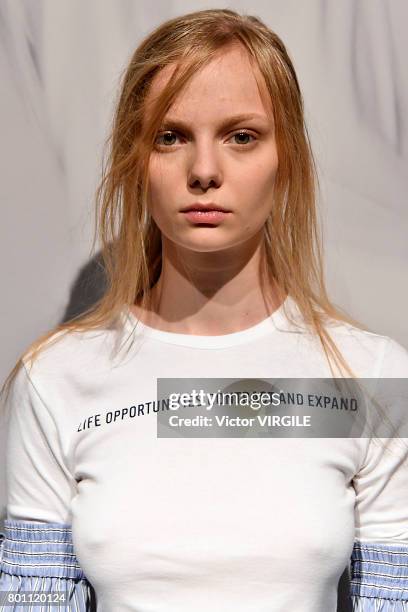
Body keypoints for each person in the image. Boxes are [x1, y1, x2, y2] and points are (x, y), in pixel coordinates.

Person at [1, 8, 407, 611]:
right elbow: (34, 602)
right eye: (171, 136)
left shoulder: (367, 379)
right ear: (136, 162)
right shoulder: (58, 378)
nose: (205, 172)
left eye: (242, 136)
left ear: (286, 158)